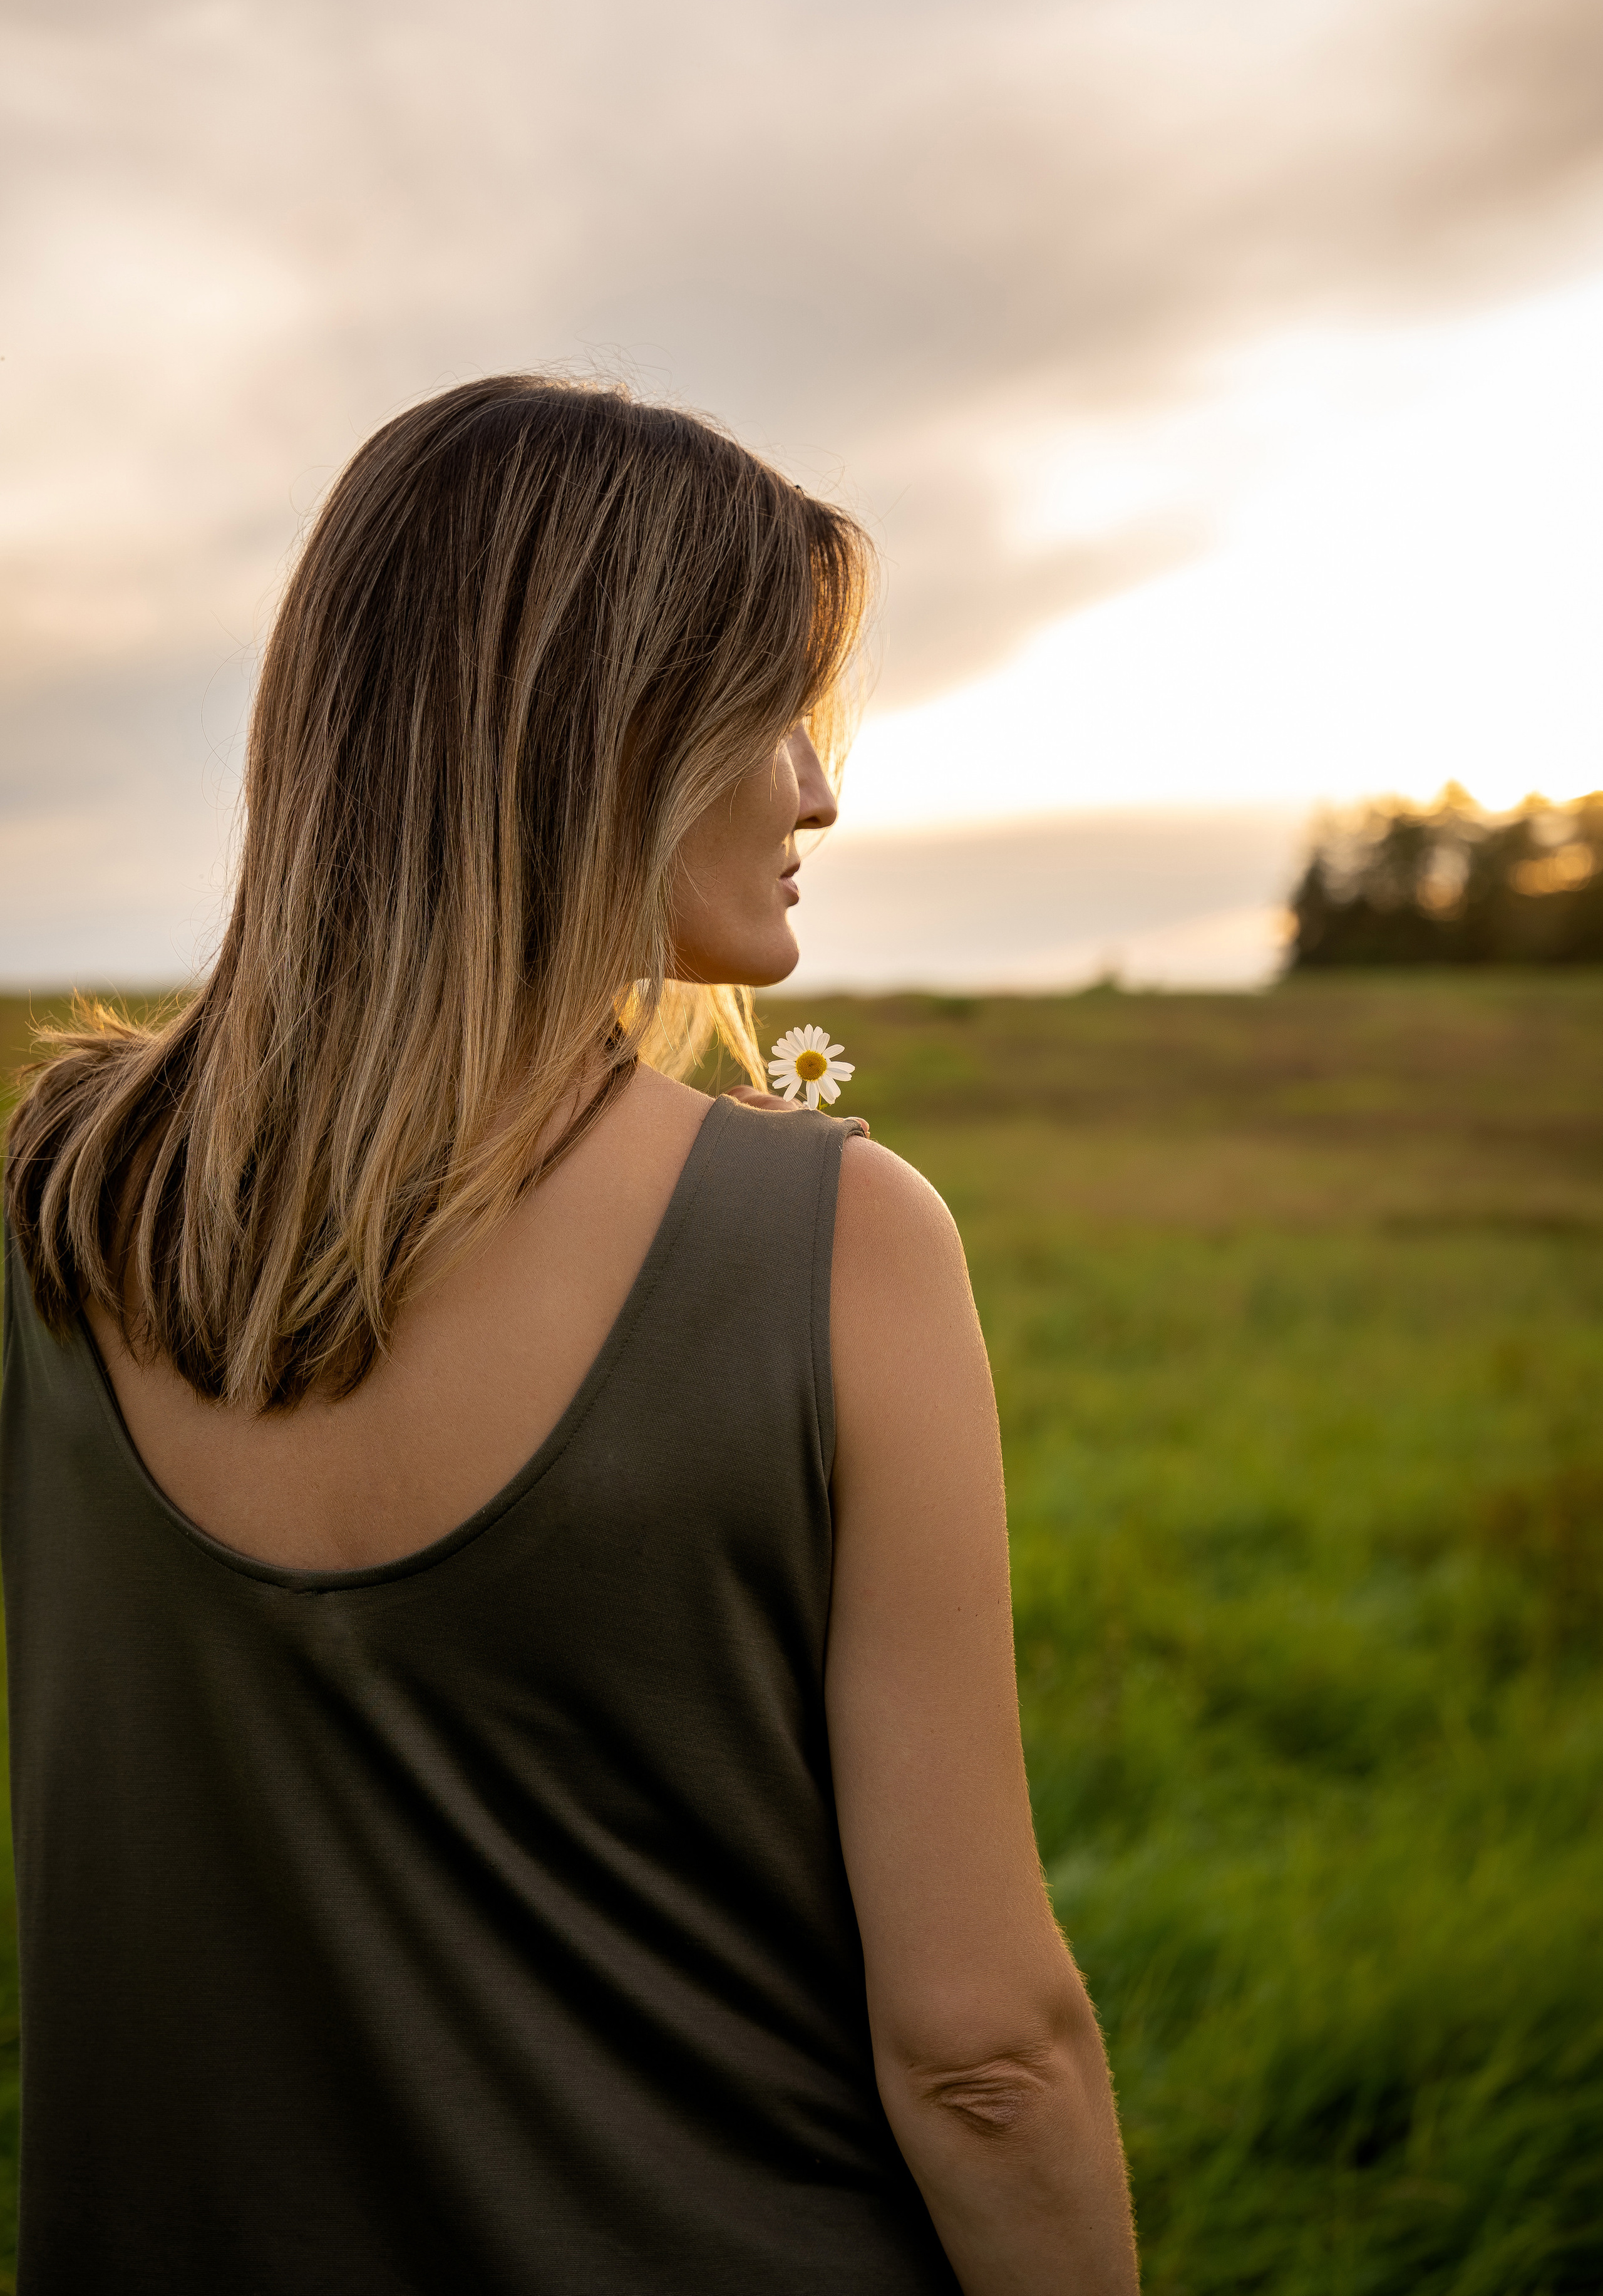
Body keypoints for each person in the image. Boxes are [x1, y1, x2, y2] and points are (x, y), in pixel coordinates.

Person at [1, 376, 1137, 2294]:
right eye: (775, 714)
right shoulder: (837, 1245)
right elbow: (989, 2057)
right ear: (604, 735)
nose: (820, 787)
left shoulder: (56, 1209)